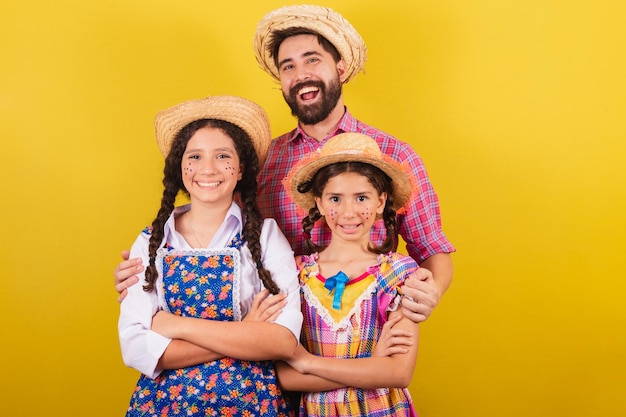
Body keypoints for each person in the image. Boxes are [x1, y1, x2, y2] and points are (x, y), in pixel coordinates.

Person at [115, 4, 454, 323]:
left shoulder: (392, 155)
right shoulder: (264, 161)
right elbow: (215, 231)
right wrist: (148, 261)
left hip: (363, 336)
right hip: (271, 332)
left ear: (340, 67)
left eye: (312, 60)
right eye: (288, 66)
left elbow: (433, 248)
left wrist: (431, 290)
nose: (301, 75)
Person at [118, 96, 303, 416]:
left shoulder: (267, 236)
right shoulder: (151, 241)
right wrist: (245, 331)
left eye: (222, 156)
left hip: (250, 404)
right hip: (166, 407)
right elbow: (136, 348)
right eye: (195, 156)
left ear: (241, 167)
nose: (208, 168)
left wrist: (174, 325)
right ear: (180, 165)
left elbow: (283, 341)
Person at [275, 131, 422, 416]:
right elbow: (283, 376)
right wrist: (369, 367)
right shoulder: (295, 274)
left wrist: (308, 363)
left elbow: (397, 373)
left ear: (381, 202)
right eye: (335, 199)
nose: (348, 212)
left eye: (361, 198)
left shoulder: (400, 274)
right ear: (318, 202)